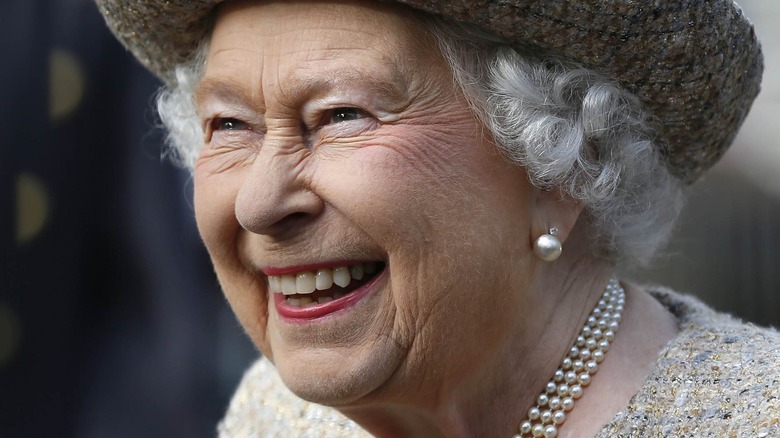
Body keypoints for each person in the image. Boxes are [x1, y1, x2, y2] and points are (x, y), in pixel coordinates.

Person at [95, 0, 779, 436]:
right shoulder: (277, 419)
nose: (257, 204)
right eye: (230, 124)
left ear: (563, 164)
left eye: (340, 115)